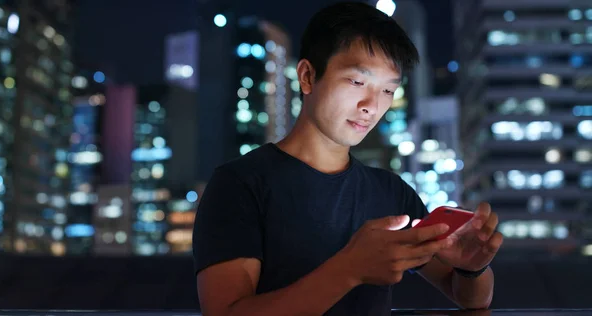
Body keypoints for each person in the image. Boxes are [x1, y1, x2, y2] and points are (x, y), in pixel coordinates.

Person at [192, 2, 503, 315]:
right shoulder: (239, 185)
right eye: (357, 82)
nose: (372, 105)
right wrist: (348, 270)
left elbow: (469, 298)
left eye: (387, 90)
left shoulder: (390, 192)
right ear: (308, 76)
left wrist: (471, 269)